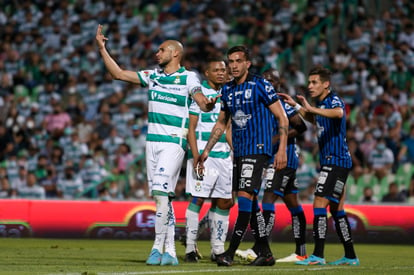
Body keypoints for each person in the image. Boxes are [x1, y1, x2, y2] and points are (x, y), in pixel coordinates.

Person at [95, 25, 219, 266]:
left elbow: (201, 101)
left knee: (162, 193)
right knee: (162, 199)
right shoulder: (153, 76)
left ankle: (156, 247)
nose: (157, 53)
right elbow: (119, 74)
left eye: (161, 50)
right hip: (151, 143)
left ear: (175, 53)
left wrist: (208, 104)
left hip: (174, 142)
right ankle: (169, 251)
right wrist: (102, 48)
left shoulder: (188, 77)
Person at [196, 45, 289, 267]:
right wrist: (206, 150)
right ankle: (265, 254)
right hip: (239, 151)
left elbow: (282, 117)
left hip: (258, 150)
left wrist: (282, 149)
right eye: (231, 61)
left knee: (245, 198)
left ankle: (229, 252)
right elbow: (221, 123)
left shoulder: (260, 84)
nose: (234, 66)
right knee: (250, 202)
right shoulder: (227, 90)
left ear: (248, 63)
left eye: (238, 61)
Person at [279, 66, 359, 266]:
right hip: (335, 161)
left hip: (336, 161)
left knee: (319, 204)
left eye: (314, 82)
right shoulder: (322, 104)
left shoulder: (333, 100)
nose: (310, 86)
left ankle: (318, 255)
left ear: (326, 84)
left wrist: (309, 107)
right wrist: (298, 107)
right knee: (337, 209)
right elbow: (315, 119)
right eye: (309, 82)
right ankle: (350, 255)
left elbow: (339, 113)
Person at [235, 68, 308, 263]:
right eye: (265, 79)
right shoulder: (259, 102)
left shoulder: (282, 102)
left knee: (267, 199)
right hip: (269, 158)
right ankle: (301, 251)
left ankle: (260, 248)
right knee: (293, 204)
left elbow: (301, 126)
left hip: (283, 159)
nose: (269, 82)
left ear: (278, 82)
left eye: (272, 80)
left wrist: (277, 139)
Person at [183, 56, 233, 262]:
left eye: (224, 69)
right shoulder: (199, 95)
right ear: (207, 73)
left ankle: (218, 249)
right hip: (204, 156)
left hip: (225, 157)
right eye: (217, 70)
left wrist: (234, 152)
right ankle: (189, 248)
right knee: (198, 198)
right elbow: (191, 129)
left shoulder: (228, 93)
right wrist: (196, 157)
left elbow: (228, 127)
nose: (222, 72)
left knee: (224, 201)